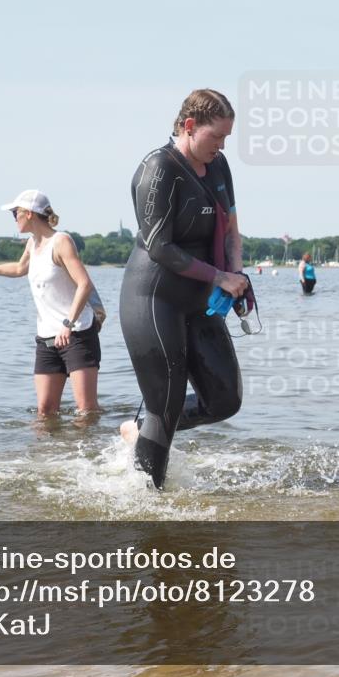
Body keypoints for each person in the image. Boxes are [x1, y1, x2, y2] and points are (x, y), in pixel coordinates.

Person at [119, 89, 248, 489]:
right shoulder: (159, 168)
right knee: (167, 409)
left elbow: (230, 229)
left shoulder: (220, 165)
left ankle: (137, 430)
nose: (222, 146)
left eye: (227, 138)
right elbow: (159, 247)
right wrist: (218, 276)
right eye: (216, 137)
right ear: (189, 127)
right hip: (154, 297)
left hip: (200, 299)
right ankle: (148, 507)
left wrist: (238, 276)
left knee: (225, 399)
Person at [0, 190, 104, 416]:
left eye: (15, 213)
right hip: (47, 337)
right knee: (45, 411)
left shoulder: (61, 242)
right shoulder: (32, 243)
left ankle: (90, 451)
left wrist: (68, 324)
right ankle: (49, 452)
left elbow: (84, 284)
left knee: (86, 411)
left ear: (29, 214)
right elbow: (19, 269)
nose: (14, 218)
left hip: (77, 334)